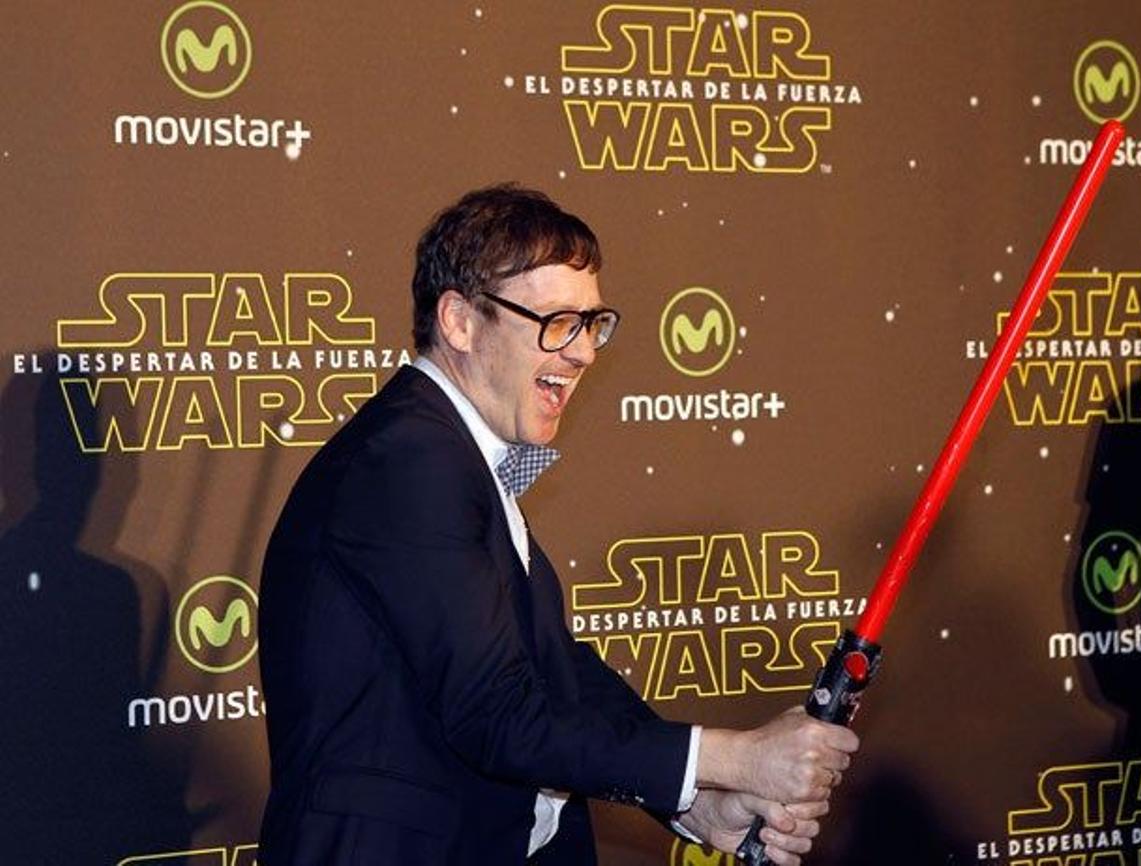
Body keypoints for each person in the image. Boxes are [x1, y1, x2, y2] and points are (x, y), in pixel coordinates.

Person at [257, 184, 860, 866]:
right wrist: (736, 758)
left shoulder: (452, 455)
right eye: (556, 322)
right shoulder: (407, 461)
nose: (582, 353)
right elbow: (500, 715)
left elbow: (552, 673)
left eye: (592, 323)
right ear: (458, 320)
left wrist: (694, 801)